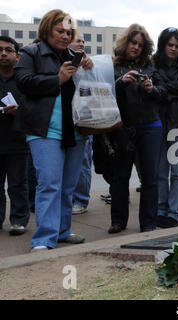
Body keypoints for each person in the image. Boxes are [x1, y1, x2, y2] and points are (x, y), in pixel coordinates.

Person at [14, 9, 94, 252]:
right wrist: (56, 79)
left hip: (75, 131)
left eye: (69, 32)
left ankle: (62, 230)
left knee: (68, 186)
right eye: (60, 31)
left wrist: (89, 68)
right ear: (47, 29)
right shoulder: (31, 52)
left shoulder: (75, 55)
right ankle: (44, 238)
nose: (65, 36)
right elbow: (23, 82)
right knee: (49, 184)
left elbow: (88, 88)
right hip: (44, 129)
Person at [108, 23, 166, 234]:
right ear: (126, 42)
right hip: (123, 126)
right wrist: (121, 81)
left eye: (140, 45)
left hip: (150, 125)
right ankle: (118, 221)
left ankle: (148, 223)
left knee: (150, 177)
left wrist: (151, 88)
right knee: (120, 176)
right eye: (133, 42)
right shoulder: (113, 66)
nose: (136, 47)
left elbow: (163, 94)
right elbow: (104, 94)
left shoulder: (151, 67)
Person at [154, 27, 178, 228]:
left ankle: (174, 212)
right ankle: (161, 210)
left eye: (177, 46)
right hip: (159, 122)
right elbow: (155, 90)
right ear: (163, 45)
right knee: (161, 172)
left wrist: (164, 89)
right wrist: (171, 89)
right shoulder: (153, 62)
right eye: (170, 45)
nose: (173, 49)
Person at [0, 36, 30, 236]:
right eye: (0, 50)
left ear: (17, 55)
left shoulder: (24, 80)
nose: (3, 53)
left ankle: (19, 221)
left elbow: (35, 108)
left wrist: (19, 110)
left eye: (8, 50)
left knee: (18, 184)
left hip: (18, 141)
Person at [69, 34, 92, 215]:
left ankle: (81, 200)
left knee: (83, 161)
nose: (81, 43)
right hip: (66, 118)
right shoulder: (64, 62)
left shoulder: (88, 64)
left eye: (83, 41)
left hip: (84, 118)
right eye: (78, 40)